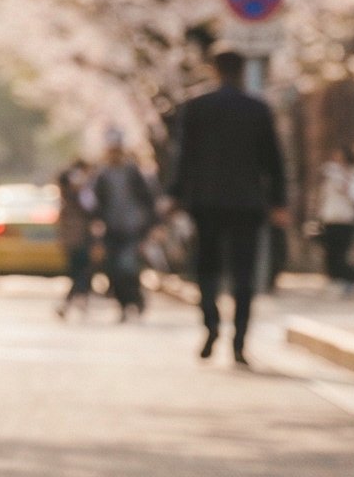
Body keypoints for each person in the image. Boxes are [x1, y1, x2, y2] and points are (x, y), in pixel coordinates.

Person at [165, 49, 287, 367]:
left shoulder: (196, 108)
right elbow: (274, 162)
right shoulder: (257, 109)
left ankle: (211, 325)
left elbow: (183, 157)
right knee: (244, 274)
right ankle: (239, 341)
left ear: (213, 70)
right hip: (247, 202)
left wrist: (175, 195)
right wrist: (278, 202)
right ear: (243, 70)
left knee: (206, 268)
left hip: (206, 202)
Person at [92, 134, 158, 320]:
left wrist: (152, 225)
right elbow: (97, 203)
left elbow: (147, 199)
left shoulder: (132, 172)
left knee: (127, 267)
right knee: (113, 270)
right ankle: (123, 304)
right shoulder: (103, 175)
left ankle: (136, 300)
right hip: (112, 228)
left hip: (133, 227)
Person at [315, 147, 354, 295]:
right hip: (329, 218)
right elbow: (323, 196)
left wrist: (344, 180)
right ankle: (335, 281)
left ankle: (352, 279)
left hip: (346, 220)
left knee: (341, 254)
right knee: (330, 254)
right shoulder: (330, 174)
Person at [55, 158, 99, 319]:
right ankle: (71, 301)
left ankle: (79, 300)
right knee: (81, 271)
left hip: (76, 237)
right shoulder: (78, 194)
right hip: (80, 237)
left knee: (80, 271)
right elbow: (91, 208)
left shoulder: (71, 197)